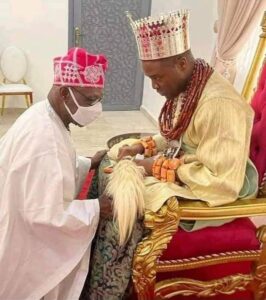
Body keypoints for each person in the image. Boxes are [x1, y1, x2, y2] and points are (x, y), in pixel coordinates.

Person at [82, 10, 258, 299]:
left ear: (182, 63)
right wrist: (141, 147)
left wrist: (155, 167)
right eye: (149, 78)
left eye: (157, 77)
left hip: (211, 191)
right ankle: (90, 262)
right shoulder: (190, 84)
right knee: (113, 162)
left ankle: (109, 289)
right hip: (189, 171)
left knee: (123, 203)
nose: (154, 86)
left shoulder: (220, 104)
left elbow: (221, 182)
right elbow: (176, 131)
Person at [0, 47, 112, 300]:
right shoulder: (44, 139)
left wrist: (86, 163)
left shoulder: (43, 114)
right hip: (21, 242)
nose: (96, 108)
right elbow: (45, 215)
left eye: (98, 99)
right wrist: (97, 208)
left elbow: (51, 174)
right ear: (64, 92)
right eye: (90, 100)